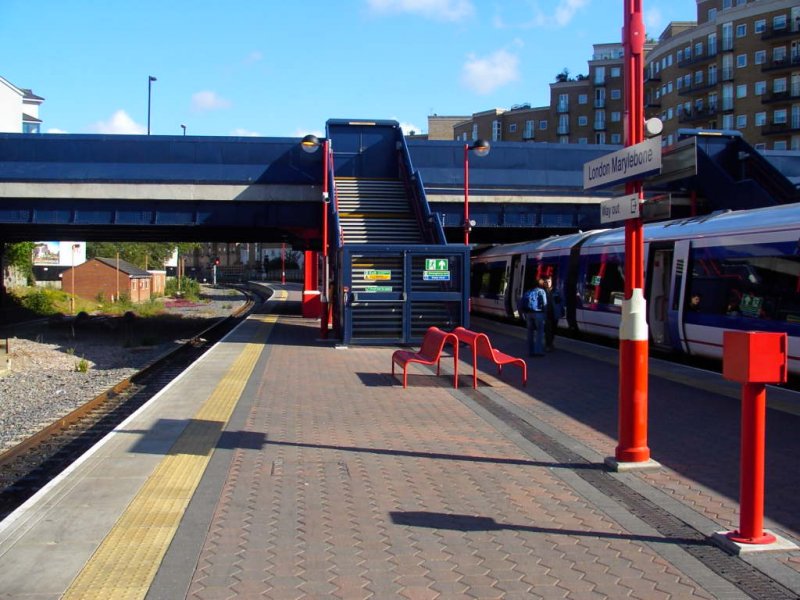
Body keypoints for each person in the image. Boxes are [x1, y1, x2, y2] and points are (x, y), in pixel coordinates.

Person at [520, 278, 547, 357]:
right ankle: (538, 351)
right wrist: (545, 315)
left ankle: (530, 351)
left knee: (530, 333)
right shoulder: (541, 291)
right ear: (540, 284)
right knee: (539, 333)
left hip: (528, 314)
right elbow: (545, 304)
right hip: (538, 314)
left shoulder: (528, 292)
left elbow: (521, 303)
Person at [543, 276, 563, 351]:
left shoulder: (556, 292)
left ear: (551, 282)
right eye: (546, 282)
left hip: (555, 315)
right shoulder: (542, 292)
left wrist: (562, 312)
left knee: (554, 330)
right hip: (546, 315)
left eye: (549, 281)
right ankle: (548, 345)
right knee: (548, 330)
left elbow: (560, 302)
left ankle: (550, 344)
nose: (548, 283)